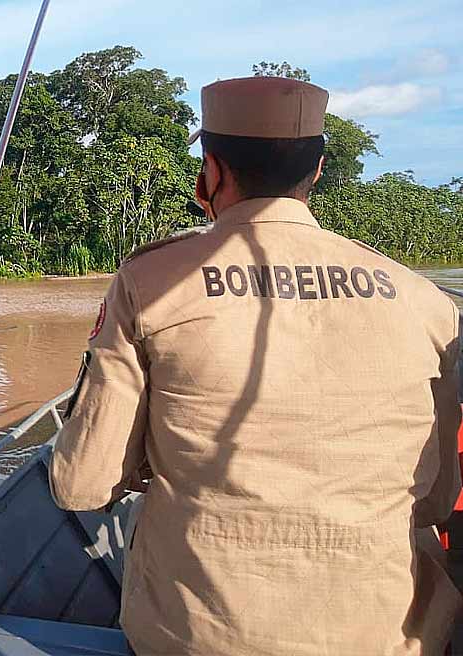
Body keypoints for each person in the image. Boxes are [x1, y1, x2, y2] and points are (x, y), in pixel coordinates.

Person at [49, 76, 462, 655]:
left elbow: (81, 485)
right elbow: (439, 501)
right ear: (316, 171)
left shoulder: (151, 282)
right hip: (379, 637)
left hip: (191, 639)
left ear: (211, 171)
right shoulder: (426, 301)